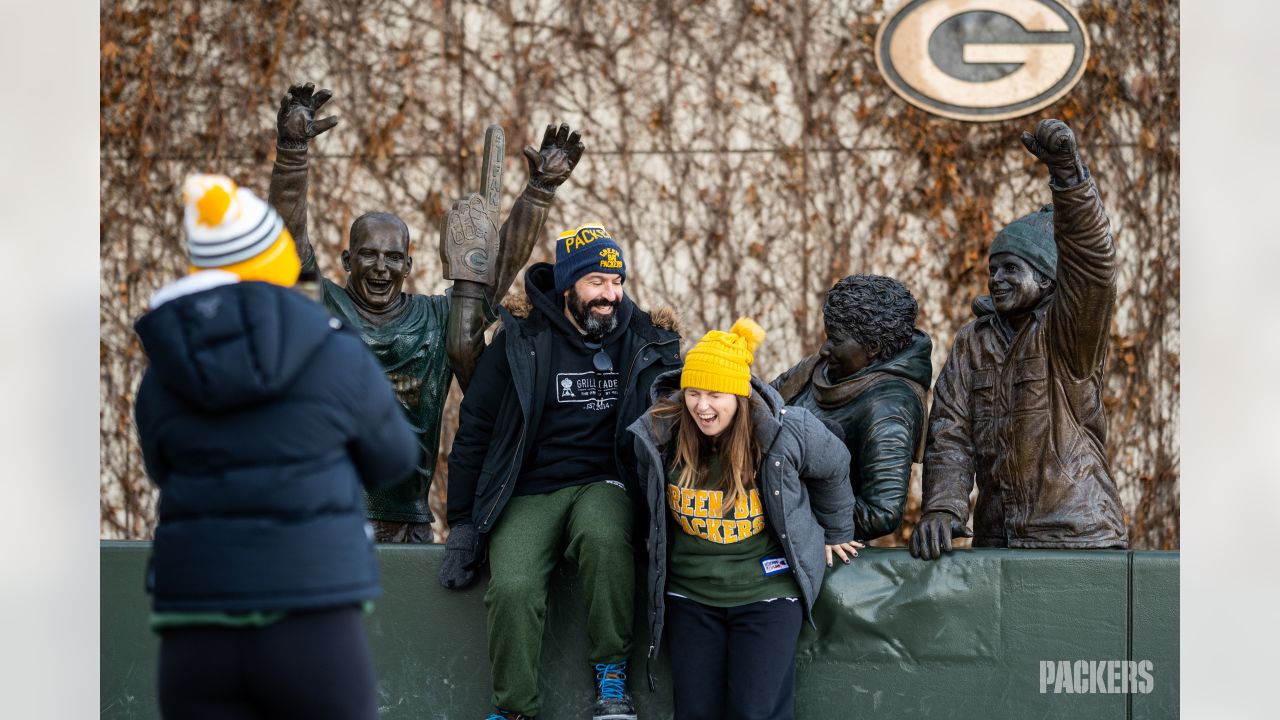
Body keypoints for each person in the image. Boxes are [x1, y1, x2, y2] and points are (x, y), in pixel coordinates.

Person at [133, 174, 419, 719]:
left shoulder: (165, 367)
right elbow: (394, 459)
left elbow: (159, 464)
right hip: (312, 607)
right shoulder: (335, 348)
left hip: (196, 615)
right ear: (277, 261)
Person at [267, 82, 584, 543]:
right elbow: (288, 238)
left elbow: (494, 269)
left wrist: (539, 192)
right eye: (368, 254)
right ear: (347, 261)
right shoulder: (322, 306)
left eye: (393, 257)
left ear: (410, 265)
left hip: (408, 522)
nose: (380, 266)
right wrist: (293, 153)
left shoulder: (437, 323)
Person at [439, 223, 682, 720]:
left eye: (616, 282)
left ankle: (611, 679)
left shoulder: (647, 340)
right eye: (596, 282)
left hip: (609, 479)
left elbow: (677, 434)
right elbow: (474, 433)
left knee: (604, 536)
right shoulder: (520, 341)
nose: (609, 295)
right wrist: (462, 522)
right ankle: (514, 708)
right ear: (568, 285)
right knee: (512, 586)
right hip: (529, 487)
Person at [911, 118, 1129, 560]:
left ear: (1048, 280)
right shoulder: (973, 340)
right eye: (993, 269)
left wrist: (1068, 177)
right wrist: (942, 507)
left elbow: (1093, 269)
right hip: (997, 541)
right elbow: (951, 432)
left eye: (1012, 268)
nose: (997, 278)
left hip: (1075, 537)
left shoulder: (1067, 333)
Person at [629, 318, 861, 720]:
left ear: (739, 395)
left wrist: (837, 528)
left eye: (716, 394)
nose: (703, 406)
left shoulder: (784, 432)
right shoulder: (661, 431)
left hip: (765, 591)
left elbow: (835, 463)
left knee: (754, 712)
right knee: (695, 712)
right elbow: (644, 486)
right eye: (694, 393)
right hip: (691, 595)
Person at [771, 274, 933, 542]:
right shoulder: (821, 367)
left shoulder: (889, 407)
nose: (824, 349)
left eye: (835, 340)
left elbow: (881, 512)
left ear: (873, 347)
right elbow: (764, 404)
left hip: (819, 551)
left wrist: (789, 510)